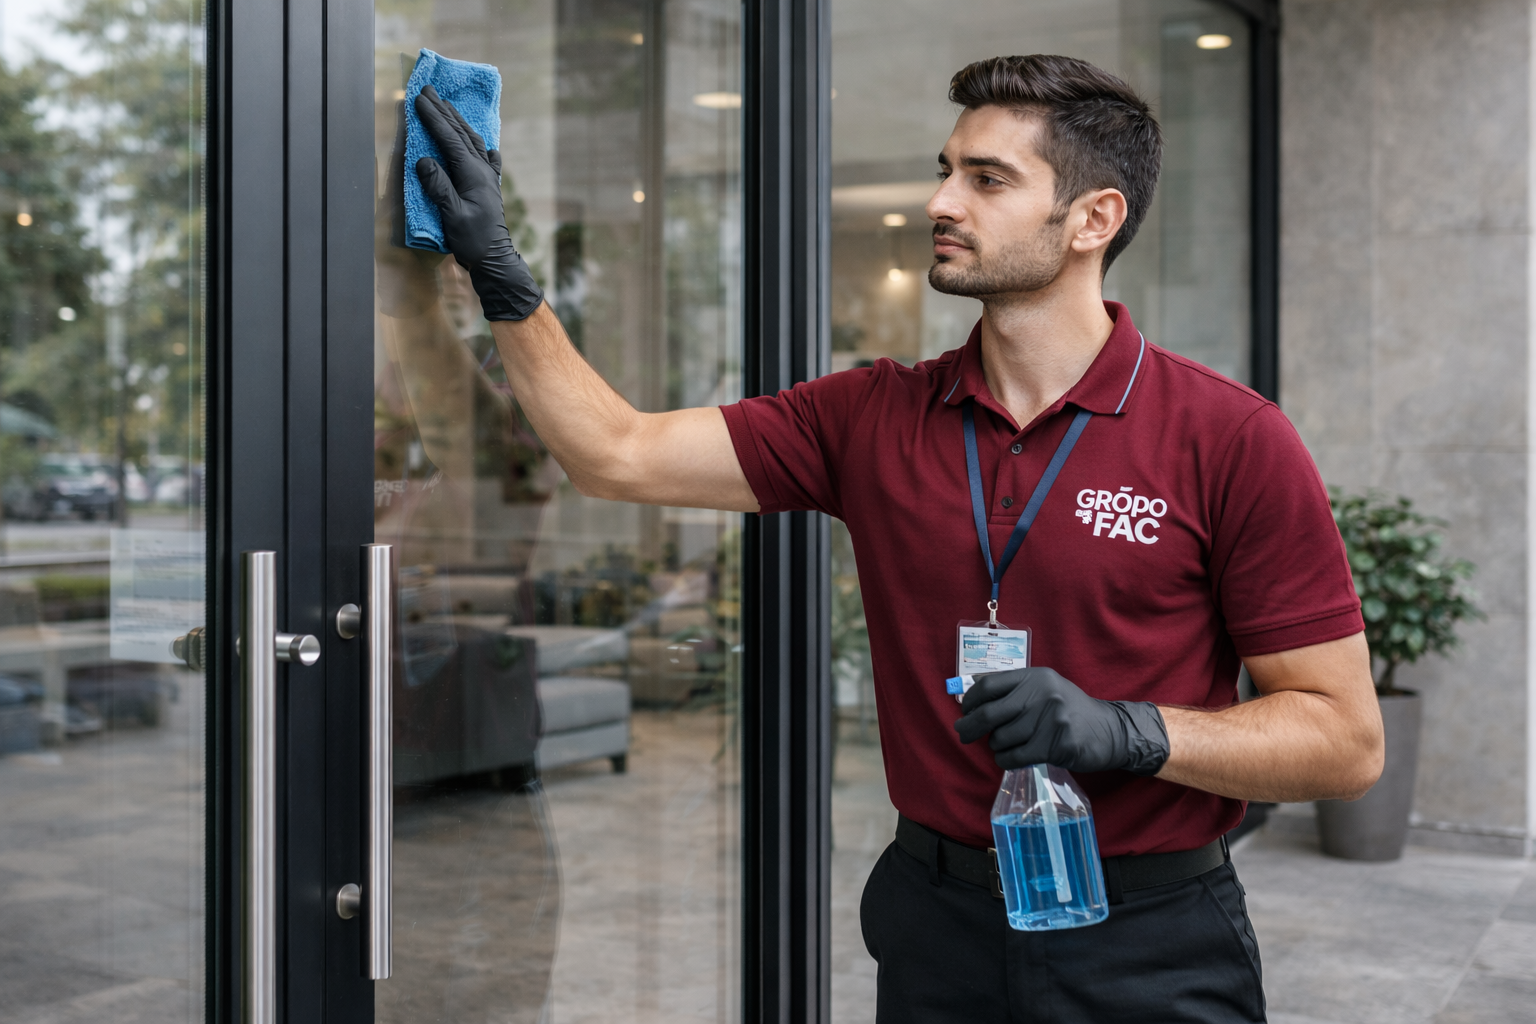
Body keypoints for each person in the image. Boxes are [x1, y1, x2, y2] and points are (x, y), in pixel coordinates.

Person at [410, 53, 1384, 1024]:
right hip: (937, 924)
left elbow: (1343, 741)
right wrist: (502, 278)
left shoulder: (1230, 436)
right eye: (946, 168)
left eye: (987, 179)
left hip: (1151, 935)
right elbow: (616, 454)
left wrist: (1127, 730)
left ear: (1094, 219)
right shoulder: (870, 417)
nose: (939, 201)